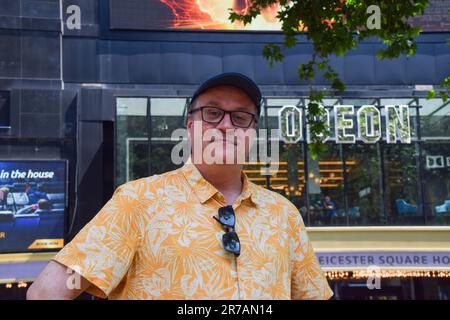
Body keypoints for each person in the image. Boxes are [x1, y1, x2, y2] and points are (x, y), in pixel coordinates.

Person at [27, 72, 333, 300]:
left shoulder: (284, 214)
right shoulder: (138, 201)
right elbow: (45, 294)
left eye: (240, 117)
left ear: (253, 131)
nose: (226, 125)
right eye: (213, 113)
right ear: (190, 125)